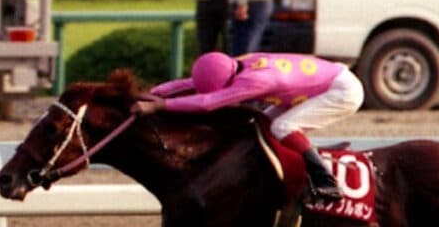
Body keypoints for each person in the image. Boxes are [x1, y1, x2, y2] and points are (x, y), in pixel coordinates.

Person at [132, 51, 363, 202]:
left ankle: (327, 182)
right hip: (321, 83)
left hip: (342, 91)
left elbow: (207, 103)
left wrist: (159, 106)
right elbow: (192, 83)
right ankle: (292, 168)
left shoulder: (256, 81)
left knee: (282, 127)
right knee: (262, 125)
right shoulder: (236, 64)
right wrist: (155, 92)